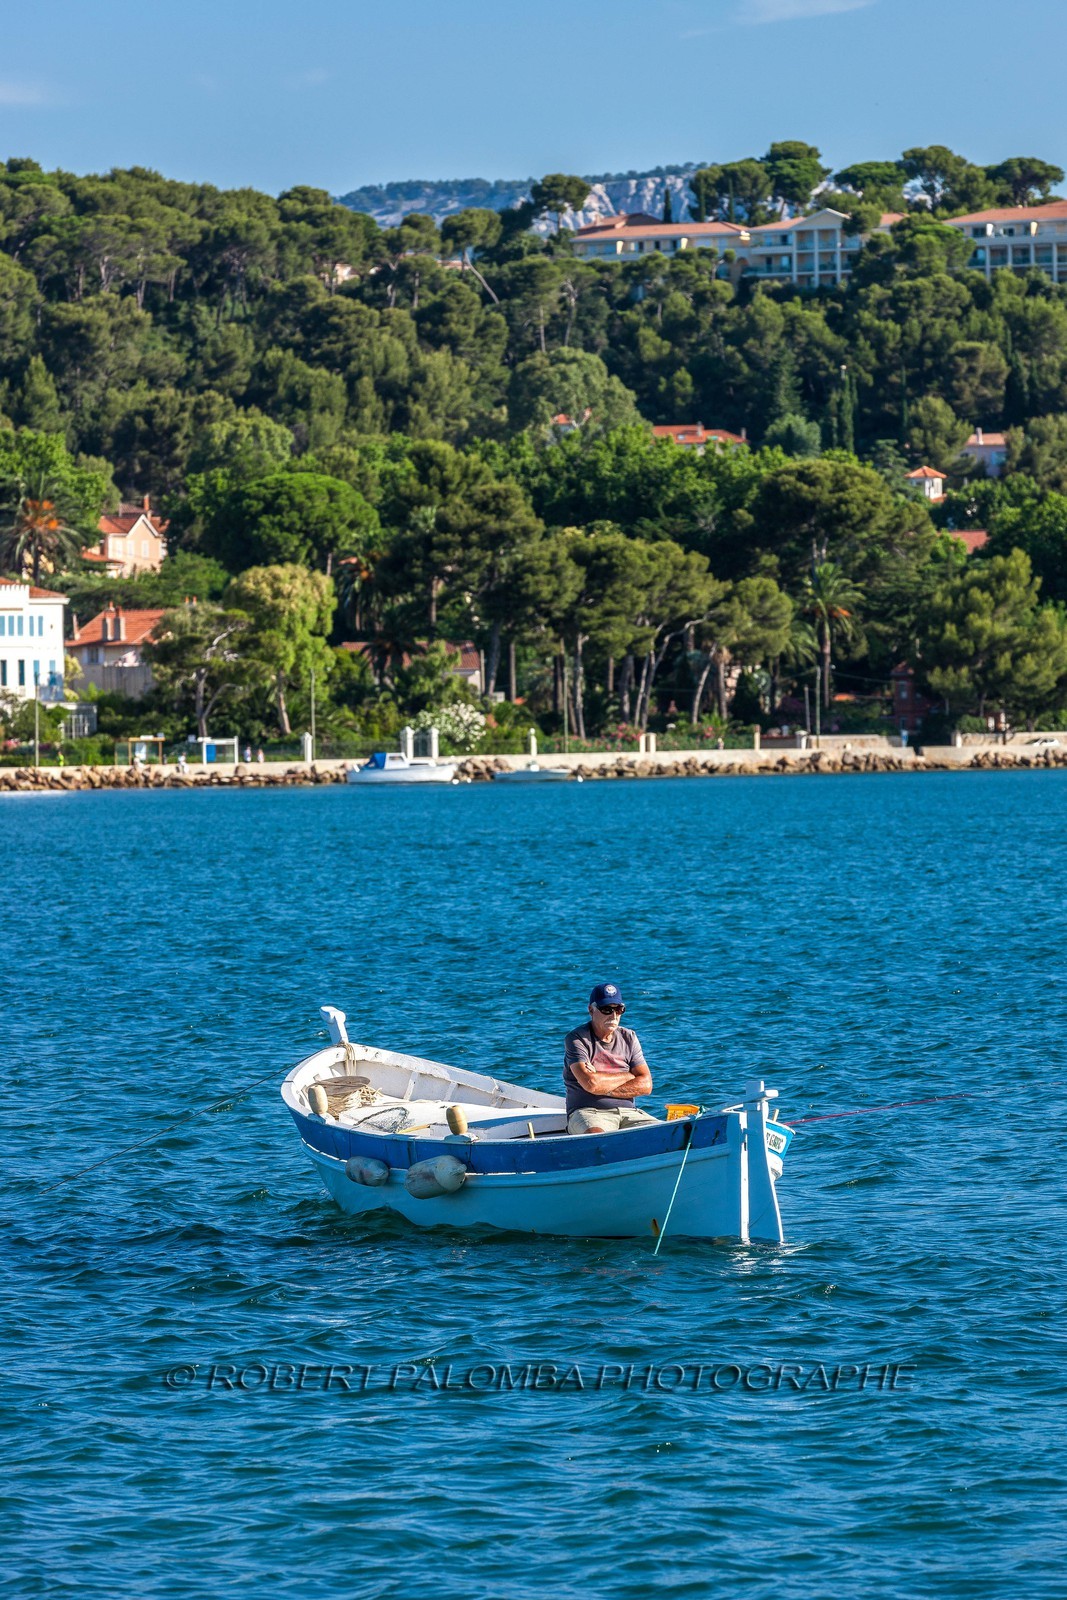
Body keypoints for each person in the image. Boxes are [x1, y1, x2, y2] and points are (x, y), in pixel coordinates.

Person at [564, 983, 656, 1135]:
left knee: (665, 1132)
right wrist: (629, 1076)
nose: (613, 1016)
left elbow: (646, 1085)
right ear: (591, 1010)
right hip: (589, 1112)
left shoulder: (629, 1037)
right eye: (606, 1009)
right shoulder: (576, 1039)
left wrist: (601, 1084)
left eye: (618, 1009)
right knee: (597, 1137)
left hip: (630, 1112)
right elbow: (591, 1083)